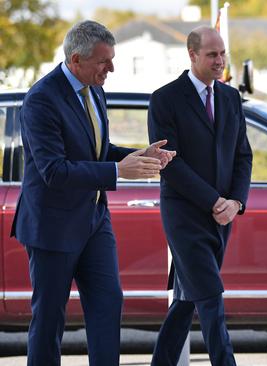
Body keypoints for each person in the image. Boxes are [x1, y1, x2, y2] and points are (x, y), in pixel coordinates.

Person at [10, 20, 175, 366]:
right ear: (75, 60)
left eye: (112, 59)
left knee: (107, 304)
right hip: (51, 226)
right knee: (50, 319)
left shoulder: (94, 88)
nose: (111, 68)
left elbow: (96, 150)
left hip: (95, 221)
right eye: (104, 61)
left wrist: (137, 156)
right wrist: (118, 171)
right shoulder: (40, 100)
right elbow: (54, 171)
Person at [147, 26, 253, 366]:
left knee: (187, 301)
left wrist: (235, 202)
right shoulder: (165, 99)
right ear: (192, 55)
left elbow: (243, 156)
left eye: (222, 54)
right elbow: (170, 165)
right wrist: (214, 201)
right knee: (210, 295)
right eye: (212, 55)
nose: (220, 61)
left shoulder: (230, 97)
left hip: (222, 216)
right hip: (184, 215)